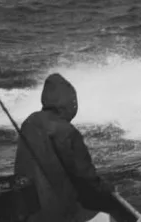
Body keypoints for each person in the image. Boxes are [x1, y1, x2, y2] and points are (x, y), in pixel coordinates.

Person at [14, 73, 119, 222]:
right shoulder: (66, 131)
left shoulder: (30, 122)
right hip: (58, 214)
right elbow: (85, 177)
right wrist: (108, 189)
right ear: (68, 104)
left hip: (28, 212)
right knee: (109, 217)